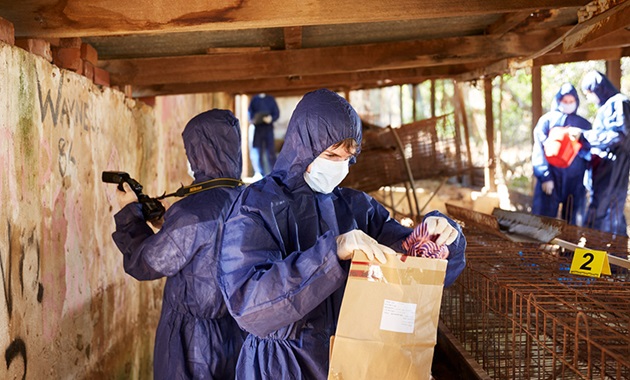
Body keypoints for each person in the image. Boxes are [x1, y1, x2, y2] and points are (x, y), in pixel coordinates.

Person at [219, 89, 466, 379]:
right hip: (281, 365)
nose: (339, 166)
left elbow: (413, 261)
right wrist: (331, 254)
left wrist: (440, 237)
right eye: (330, 155)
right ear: (302, 149)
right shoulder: (256, 206)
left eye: (348, 157)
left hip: (353, 361)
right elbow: (249, 305)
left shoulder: (357, 207)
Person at [111, 109, 247, 379]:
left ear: (198, 152)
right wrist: (167, 224)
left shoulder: (191, 213)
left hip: (192, 343)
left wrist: (129, 213)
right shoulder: (251, 200)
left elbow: (145, 263)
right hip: (239, 335)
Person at [531, 83, 591, 225]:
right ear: (558, 100)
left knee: (573, 223)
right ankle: (539, 248)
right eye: (565, 101)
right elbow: (539, 149)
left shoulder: (584, 125)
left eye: (571, 101)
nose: (568, 104)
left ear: (576, 102)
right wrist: (545, 176)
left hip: (575, 181)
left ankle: (568, 248)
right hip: (552, 177)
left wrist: (588, 181)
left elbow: (590, 153)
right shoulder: (547, 121)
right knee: (543, 221)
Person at [581, 70, 630, 235]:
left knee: (603, 211)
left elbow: (620, 136)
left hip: (613, 169)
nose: (589, 98)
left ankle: (606, 256)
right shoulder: (607, 106)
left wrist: (584, 136)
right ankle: (616, 257)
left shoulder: (618, 103)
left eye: (589, 93)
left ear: (597, 88)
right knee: (610, 212)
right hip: (604, 169)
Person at [248, 93, 280, 178]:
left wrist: (271, 119)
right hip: (257, 128)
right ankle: (259, 172)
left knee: (270, 151)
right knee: (257, 151)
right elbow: (250, 113)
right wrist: (254, 119)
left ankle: (274, 172)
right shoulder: (254, 99)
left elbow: (276, 113)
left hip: (268, 128)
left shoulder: (270, 100)